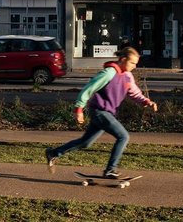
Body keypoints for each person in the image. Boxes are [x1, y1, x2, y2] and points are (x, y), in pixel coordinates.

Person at [45, 46, 157, 179]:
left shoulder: (127, 76)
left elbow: (134, 93)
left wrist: (146, 102)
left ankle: (53, 153)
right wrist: (79, 109)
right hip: (99, 111)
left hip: (107, 113)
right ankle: (110, 170)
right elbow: (88, 89)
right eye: (132, 63)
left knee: (85, 143)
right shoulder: (109, 73)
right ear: (123, 59)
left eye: (136, 64)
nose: (134, 66)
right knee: (123, 136)